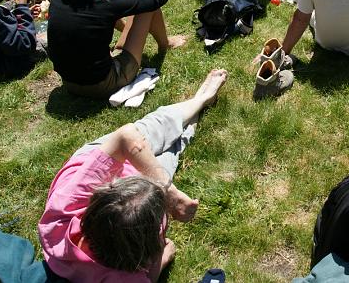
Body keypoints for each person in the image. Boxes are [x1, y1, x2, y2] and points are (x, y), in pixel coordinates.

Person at [38, 69, 228, 282]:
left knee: (155, 127)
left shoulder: (64, 210)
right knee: (171, 152)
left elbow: (126, 137)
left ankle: (200, 100)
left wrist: (169, 192)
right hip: (129, 191)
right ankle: (191, 119)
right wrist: (163, 255)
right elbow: (152, 272)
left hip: (99, 159)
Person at [47, 0, 185, 98]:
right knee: (147, 9)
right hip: (103, 84)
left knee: (134, 9)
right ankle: (165, 44)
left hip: (70, 83)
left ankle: (121, 48)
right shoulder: (105, 6)